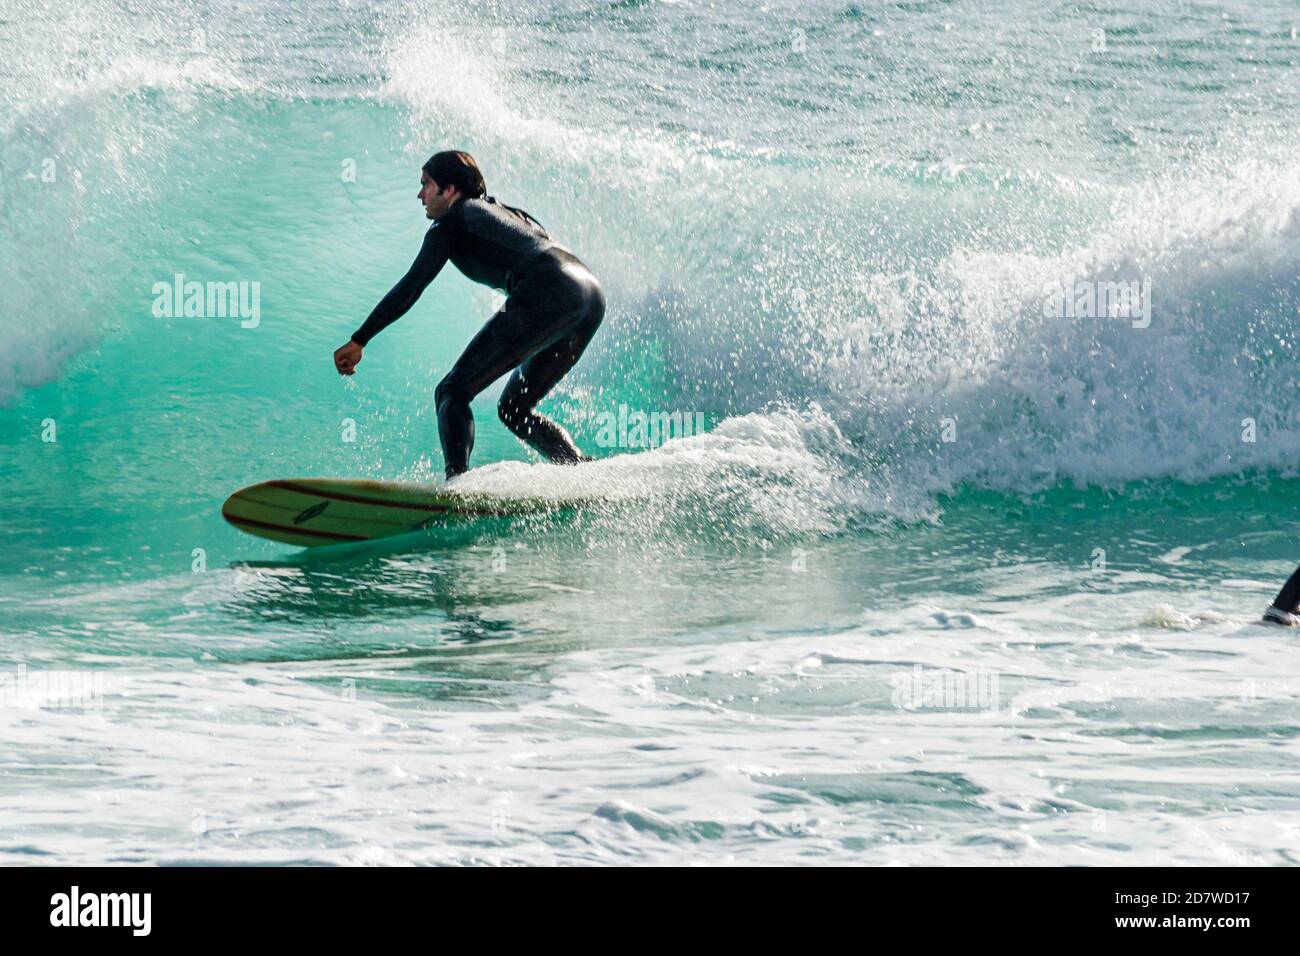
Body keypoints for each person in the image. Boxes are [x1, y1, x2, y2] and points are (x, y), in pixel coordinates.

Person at [334, 150, 605, 479]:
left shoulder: (451, 221)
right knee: (514, 410)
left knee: (452, 391)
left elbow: (411, 287)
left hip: (548, 289)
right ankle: (580, 473)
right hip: (589, 293)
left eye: (426, 185)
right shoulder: (506, 211)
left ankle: (458, 485)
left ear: (449, 190)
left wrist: (359, 339)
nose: (420, 195)